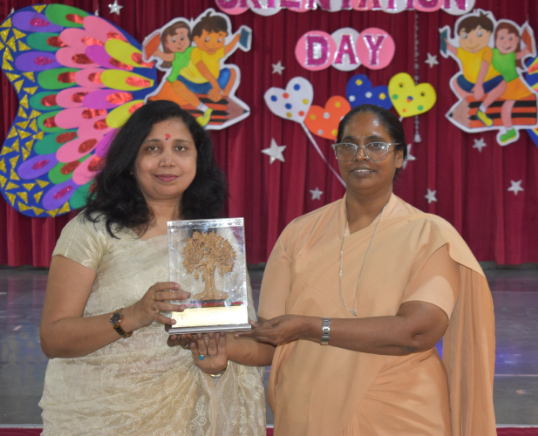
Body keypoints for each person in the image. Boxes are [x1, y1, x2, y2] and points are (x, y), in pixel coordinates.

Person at [223, 104, 497, 435]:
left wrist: (311, 327)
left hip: (400, 416)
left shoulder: (430, 235)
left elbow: (417, 331)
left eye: (376, 145)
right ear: (337, 154)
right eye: (349, 145)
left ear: (399, 156)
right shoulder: (299, 234)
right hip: (308, 411)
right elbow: (271, 341)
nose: (360, 155)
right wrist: (218, 345)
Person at [38, 100, 266, 435]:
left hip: (188, 419)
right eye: (152, 148)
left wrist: (218, 356)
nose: (167, 160)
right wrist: (134, 315)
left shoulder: (216, 238)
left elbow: (255, 345)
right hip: (100, 417)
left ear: (198, 160)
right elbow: (54, 338)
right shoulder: (92, 230)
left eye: (181, 148)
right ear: (131, 161)